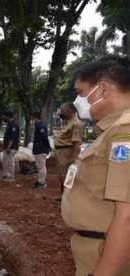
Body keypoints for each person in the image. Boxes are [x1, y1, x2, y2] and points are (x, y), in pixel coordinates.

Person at [61, 55, 130, 275]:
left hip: (105, 252)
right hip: (96, 247)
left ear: (103, 89)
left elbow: (128, 217)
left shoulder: (124, 132)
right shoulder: (111, 131)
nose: (78, 100)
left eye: (81, 93)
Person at [53, 103, 84, 202]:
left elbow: (77, 143)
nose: (61, 113)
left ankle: (69, 199)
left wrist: (73, 159)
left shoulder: (76, 124)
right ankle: (63, 196)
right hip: (61, 153)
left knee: (69, 177)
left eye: (62, 111)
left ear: (69, 111)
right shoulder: (67, 122)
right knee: (63, 176)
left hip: (67, 153)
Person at [31, 112, 51, 190]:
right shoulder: (37, 126)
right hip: (38, 149)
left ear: (36, 118)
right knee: (39, 167)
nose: (31, 120)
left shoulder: (41, 126)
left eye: (32, 118)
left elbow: (44, 138)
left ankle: (41, 182)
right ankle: (39, 181)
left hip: (41, 149)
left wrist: (48, 148)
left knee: (41, 167)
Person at [0, 111, 20, 182]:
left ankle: (11, 177)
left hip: (11, 148)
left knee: (10, 162)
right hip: (7, 147)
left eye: (4, 117)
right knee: (4, 161)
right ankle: (5, 175)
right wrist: (4, 146)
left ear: (8, 117)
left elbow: (12, 138)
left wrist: (8, 147)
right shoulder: (9, 125)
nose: (3, 118)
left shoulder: (14, 125)